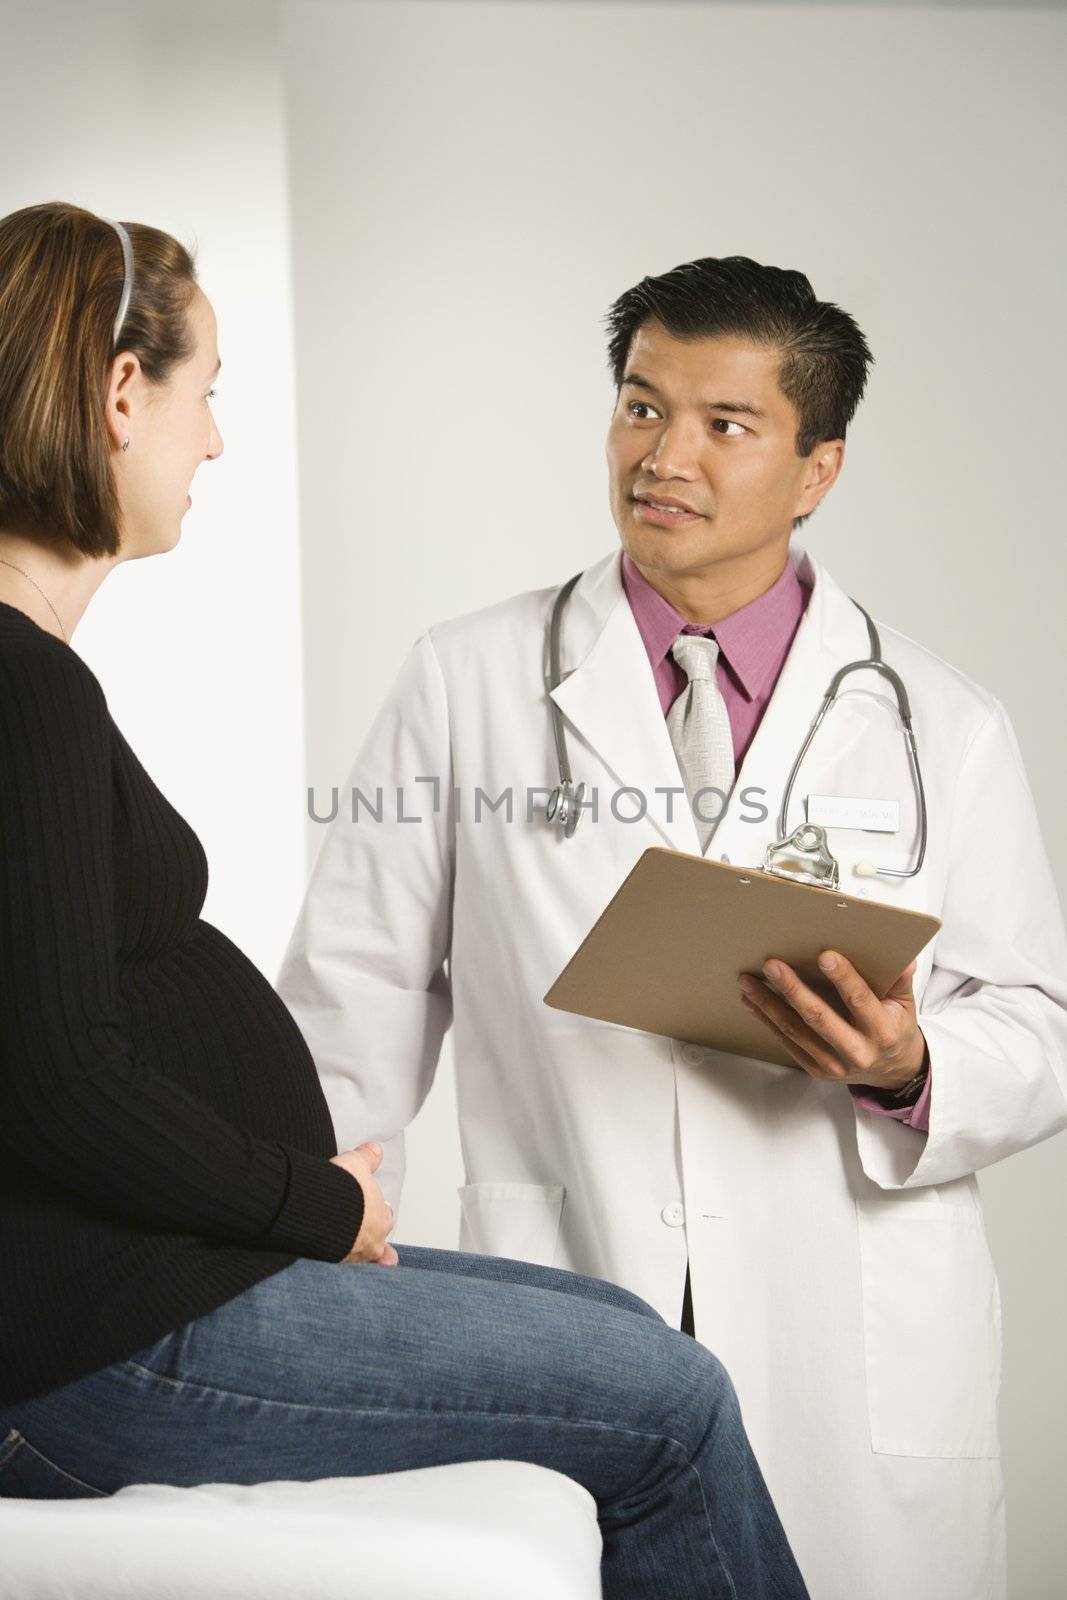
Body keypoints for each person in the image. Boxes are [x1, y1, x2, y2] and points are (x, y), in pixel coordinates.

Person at [0, 202, 812, 1600]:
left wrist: (300, 1205)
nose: (214, 441)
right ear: (122, 395)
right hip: (91, 1341)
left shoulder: (30, 679)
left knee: (630, 1334)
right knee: (667, 1403)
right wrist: (308, 1205)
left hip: (133, 1288)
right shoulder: (22, 690)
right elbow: (59, 1078)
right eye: (205, 396)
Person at [276, 253, 1067, 1600]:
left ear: (817, 466)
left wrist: (907, 1066)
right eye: (641, 408)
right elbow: (354, 990)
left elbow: (1042, 1025)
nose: (664, 456)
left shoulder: (942, 721)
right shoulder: (469, 679)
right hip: (566, 1291)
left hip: (847, 1326)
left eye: (724, 424)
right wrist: (301, 1234)